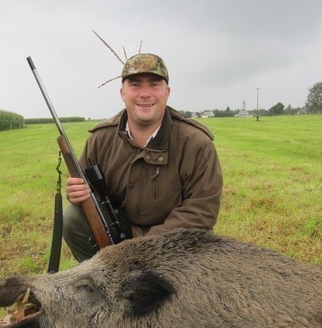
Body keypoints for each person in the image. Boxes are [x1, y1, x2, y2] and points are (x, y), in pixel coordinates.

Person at [63, 53, 223, 262]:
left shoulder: (196, 143)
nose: (145, 94)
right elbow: (88, 194)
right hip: (120, 231)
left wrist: (142, 248)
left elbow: (202, 209)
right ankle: (99, 287)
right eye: (135, 85)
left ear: (167, 92)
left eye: (154, 84)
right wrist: (76, 193)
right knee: (72, 219)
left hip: (176, 242)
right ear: (122, 93)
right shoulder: (100, 139)